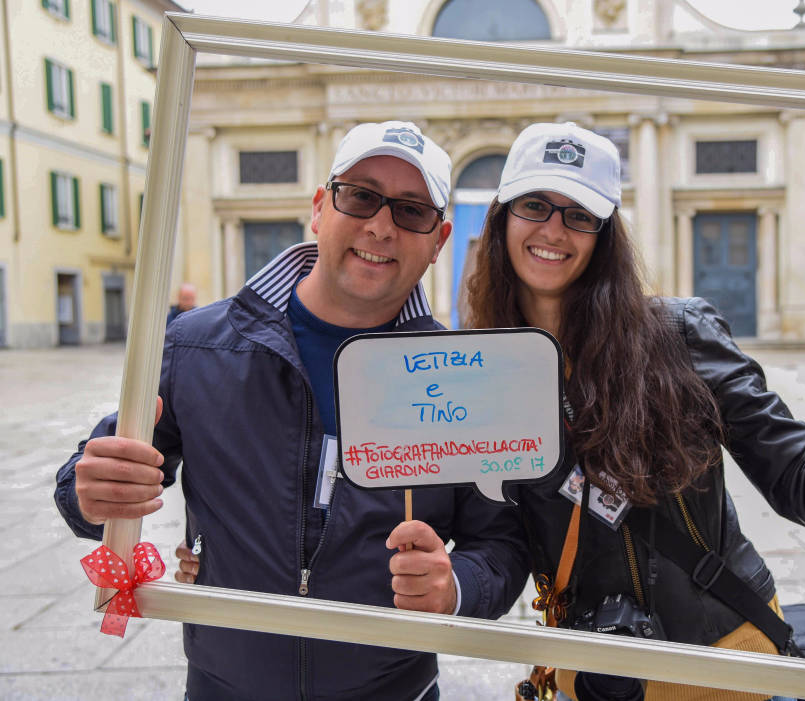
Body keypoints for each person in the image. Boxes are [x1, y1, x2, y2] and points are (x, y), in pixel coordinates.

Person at [462, 122, 805, 701]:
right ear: (502, 218)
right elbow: (498, 545)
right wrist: (447, 583)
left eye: (580, 215)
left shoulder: (679, 335)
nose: (553, 230)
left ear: (604, 235)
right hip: (592, 680)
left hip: (726, 672)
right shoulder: (479, 373)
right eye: (535, 205)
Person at [54, 121, 530, 701]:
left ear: (439, 240)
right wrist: (90, 493)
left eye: (411, 210)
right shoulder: (197, 344)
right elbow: (97, 475)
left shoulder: (461, 375)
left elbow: (501, 544)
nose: (381, 225)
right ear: (319, 208)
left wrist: (454, 586)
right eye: (360, 196)